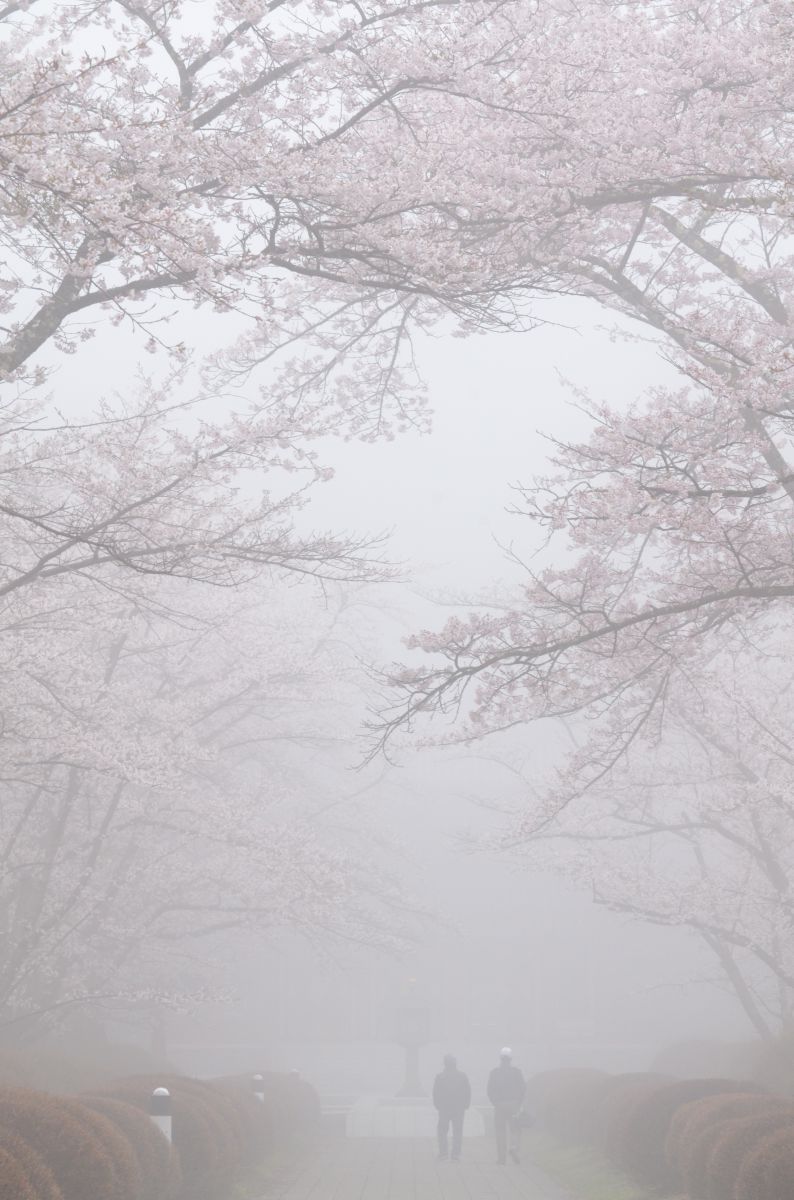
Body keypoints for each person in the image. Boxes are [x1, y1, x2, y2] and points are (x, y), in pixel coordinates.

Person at [487, 1046, 526, 1165]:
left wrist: (495, 1102)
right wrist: (519, 1103)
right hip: (513, 1104)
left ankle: (501, 1158)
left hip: (499, 1105)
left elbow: (490, 1090)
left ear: (500, 1059)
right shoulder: (517, 1072)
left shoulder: (494, 1073)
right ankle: (514, 1147)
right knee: (515, 1128)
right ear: (510, 1059)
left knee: (500, 1131)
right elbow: (523, 1088)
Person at [432, 1053, 471, 1161]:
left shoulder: (440, 1077)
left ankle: (443, 1153)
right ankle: (456, 1154)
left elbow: (435, 1093)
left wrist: (438, 1105)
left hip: (444, 1108)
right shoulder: (462, 1076)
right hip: (459, 1108)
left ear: (445, 1064)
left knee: (442, 1130)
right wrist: (466, 1105)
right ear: (455, 1064)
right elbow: (467, 1091)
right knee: (458, 1131)